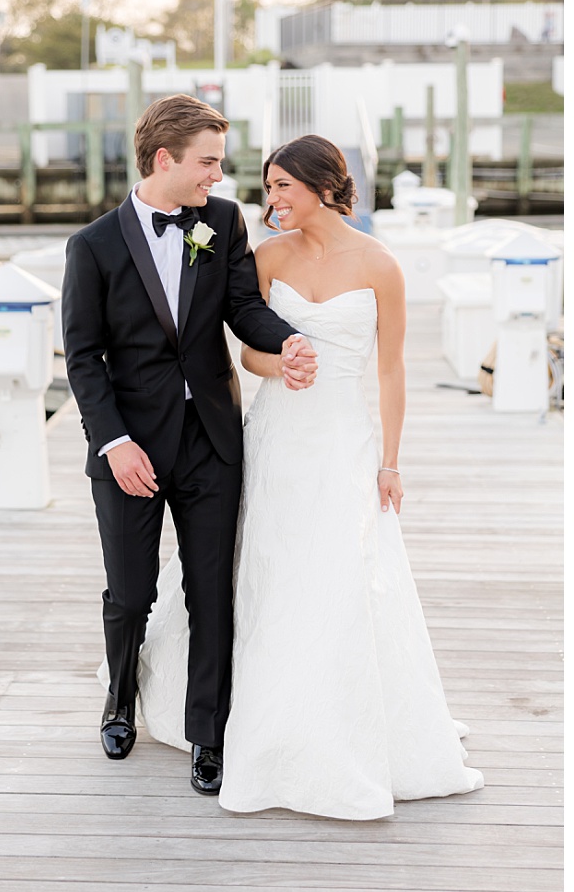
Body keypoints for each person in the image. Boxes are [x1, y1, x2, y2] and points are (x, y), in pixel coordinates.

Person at [130, 134, 484, 819]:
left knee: (339, 572)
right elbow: (250, 352)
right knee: (270, 567)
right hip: (277, 435)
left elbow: (391, 369)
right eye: (267, 189)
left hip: (346, 441)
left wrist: (391, 460)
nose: (272, 201)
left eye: (282, 187)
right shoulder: (266, 258)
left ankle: (338, 720)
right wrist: (280, 363)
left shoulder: (381, 264)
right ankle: (252, 709)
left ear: (322, 185)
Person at [61, 94, 317, 796]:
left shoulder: (224, 222)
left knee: (211, 591)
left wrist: (288, 337)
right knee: (132, 591)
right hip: (130, 449)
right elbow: (83, 358)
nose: (218, 174)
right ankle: (119, 700)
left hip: (210, 438)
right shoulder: (92, 247)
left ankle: (210, 731)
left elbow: (243, 308)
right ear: (165, 159)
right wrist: (113, 441)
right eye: (208, 161)